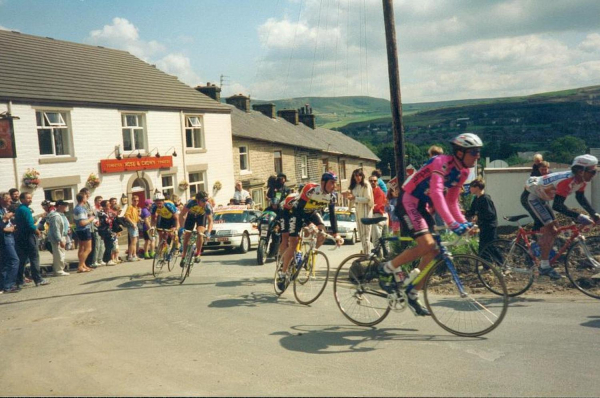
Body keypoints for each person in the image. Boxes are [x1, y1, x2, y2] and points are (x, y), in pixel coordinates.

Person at [379, 133, 483, 316]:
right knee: (426, 244)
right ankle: (387, 267)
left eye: (478, 152)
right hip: (408, 200)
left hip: (421, 206)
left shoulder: (463, 172)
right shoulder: (440, 162)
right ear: (460, 153)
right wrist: (452, 224)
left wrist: (464, 223)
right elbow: (436, 193)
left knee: (434, 251)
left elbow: (451, 202)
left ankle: (412, 292)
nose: (478, 156)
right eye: (474, 152)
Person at [523, 154, 600, 279]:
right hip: (531, 198)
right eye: (592, 171)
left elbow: (580, 198)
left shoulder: (581, 180)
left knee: (554, 229)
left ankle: (541, 250)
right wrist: (579, 216)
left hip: (542, 198)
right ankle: (544, 266)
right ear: (581, 171)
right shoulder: (567, 181)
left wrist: (594, 214)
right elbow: (558, 206)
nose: (594, 174)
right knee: (551, 229)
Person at [277, 172, 344, 291]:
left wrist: (336, 234)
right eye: (331, 183)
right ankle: (283, 272)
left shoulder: (332, 196)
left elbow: (333, 216)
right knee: (292, 242)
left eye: (335, 183)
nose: (334, 186)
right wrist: (309, 224)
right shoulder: (311, 190)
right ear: (323, 183)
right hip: (292, 212)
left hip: (310, 211)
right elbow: (299, 210)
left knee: (322, 232)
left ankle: (308, 256)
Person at [15, 192, 49, 287]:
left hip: (20, 236)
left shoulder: (19, 209)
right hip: (28, 235)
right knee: (34, 257)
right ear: (22, 199)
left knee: (22, 259)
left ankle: (19, 280)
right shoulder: (25, 209)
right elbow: (30, 224)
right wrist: (36, 230)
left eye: (30, 198)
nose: (30, 200)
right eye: (28, 198)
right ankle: (38, 279)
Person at [179, 191, 213, 264]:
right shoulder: (191, 203)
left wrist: (209, 232)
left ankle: (198, 253)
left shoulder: (207, 206)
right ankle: (184, 255)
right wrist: (182, 227)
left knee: (200, 233)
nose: (205, 203)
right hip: (191, 216)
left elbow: (210, 221)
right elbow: (181, 215)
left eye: (206, 200)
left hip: (201, 216)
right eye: (203, 201)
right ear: (197, 200)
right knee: (187, 235)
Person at [345, 168, 374, 255]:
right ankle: (365, 252)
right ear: (353, 177)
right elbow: (352, 199)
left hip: (365, 210)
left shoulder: (366, 184)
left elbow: (368, 199)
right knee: (361, 234)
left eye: (360, 175)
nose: (358, 178)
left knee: (366, 235)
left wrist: (355, 198)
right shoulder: (354, 186)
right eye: (356, 176)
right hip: (358, 211)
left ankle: (367, 254)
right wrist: (350, 205)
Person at [465, 179, 497, 255]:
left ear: (477, 187)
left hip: (489, 227)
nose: (470, 189)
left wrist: (477, 216)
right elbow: (471, 211)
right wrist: (463, 213)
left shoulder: (485, 199)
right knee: (483, 248)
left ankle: (500, 263)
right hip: (483, 226)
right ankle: (487, 265)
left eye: (471, 187)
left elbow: (490, 214)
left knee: (489, 247)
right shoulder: (476, 199)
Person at [0, 192, 20, 293]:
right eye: (8, 199)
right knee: (14, 260)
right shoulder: (2, 211)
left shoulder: (5, 209)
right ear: (2, 200)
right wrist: (4, 219)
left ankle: (3, 285)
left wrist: (12, 226)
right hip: (4, 238)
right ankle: (9, 285)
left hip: (9, 236)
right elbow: (1, 225)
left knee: (4, 262)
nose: (10, 201)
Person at [151, 193, 180, 258]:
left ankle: (177, 247)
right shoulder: (153, 207)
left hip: (172, 219)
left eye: (160, 203)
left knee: (172, 234)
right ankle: (162, 251)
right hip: (163, 218)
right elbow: (153, 219)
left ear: (163, 201)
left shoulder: (169, 205)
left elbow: (176, 218)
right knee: (161, 235)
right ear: (155, 202)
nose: (159, 205)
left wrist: (176, 228)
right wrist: (152, 227)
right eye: (157, 203)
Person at [46, 200, 71, 276]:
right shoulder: (55, 216)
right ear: (59, 206)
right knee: (59, 254)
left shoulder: (62, 215)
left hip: (63, 235)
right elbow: (56, 229)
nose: (66, 207)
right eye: (65, 206)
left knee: (61, 253)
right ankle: (59, 270)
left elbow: (64, 225)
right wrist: (59, 240)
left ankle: (59, 269)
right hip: (58, 238)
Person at [73, 192, 95, 273]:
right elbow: (82, 223)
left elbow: (75, 220)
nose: (87, 198)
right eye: (86, 197)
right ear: (83, 199)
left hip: (79, 230)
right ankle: (80, 265)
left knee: (81, 248)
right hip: (84, 229)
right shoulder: (81, 209)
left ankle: (83, 265)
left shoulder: (76, 208)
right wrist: (91, 219)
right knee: (88, 249)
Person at [369, 174, 388, 249]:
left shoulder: (378, 192)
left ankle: (379, 258)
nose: (373, 182)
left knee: (376, 240)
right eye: (371, 181)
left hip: (377, 216)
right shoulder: (373, 191)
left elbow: (377, 206)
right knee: (383, 240)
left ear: (377, 182)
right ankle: (386, 257)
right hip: (381, 217)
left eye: (375, 181)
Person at [97, 200, 117, 266]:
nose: (109, 206)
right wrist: (110, 219)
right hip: (105, 231)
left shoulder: (109, 212)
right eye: (108, 205)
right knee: (108, 245)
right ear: (104, 206)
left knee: (110, 245)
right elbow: (105, 221)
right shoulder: (101, 213)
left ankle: (108, 259)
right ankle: (107, 260)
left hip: (110, 230)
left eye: (109, 205)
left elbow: (113, 219)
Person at [124, 196, 141, 262]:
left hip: (135, 224)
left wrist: (139, 218)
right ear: (132, 200)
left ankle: (134, 255)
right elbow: (127, 216)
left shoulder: (136, 208)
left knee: (135, 241)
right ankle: (130, 255)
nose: (136, 202)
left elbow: (135, 216)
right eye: (135, 200)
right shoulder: (130, 207)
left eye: (137, 200)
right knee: (133, 241)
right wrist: (132, 223)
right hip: (132, 225)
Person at [92, 195, 106, 266]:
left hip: (102, 228)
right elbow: (92, 217)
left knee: (102, 244)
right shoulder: (93, 208)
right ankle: (95, 261)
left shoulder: (101, 208)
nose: (100, 202)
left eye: (101, 200)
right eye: (99, 200)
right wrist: (95, 222)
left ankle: (100, 259)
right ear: (95, 201)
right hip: (96, 228)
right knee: (97, 245)